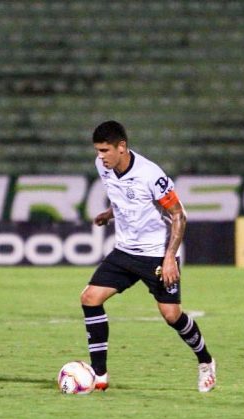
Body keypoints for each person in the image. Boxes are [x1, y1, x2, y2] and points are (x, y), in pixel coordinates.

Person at [81, 121, 217, 392]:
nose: (100, 156)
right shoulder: (104, 167)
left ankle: (205, 361)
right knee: (90, 299)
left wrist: (169, 258)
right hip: (124, 251)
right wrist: (109, 214)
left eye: (105, 150)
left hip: (156, 254)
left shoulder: (151, 175)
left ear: (122, 147)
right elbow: (122, 198)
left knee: (171, 315)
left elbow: (179, 214)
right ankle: (99, 375)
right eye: (97, 151)